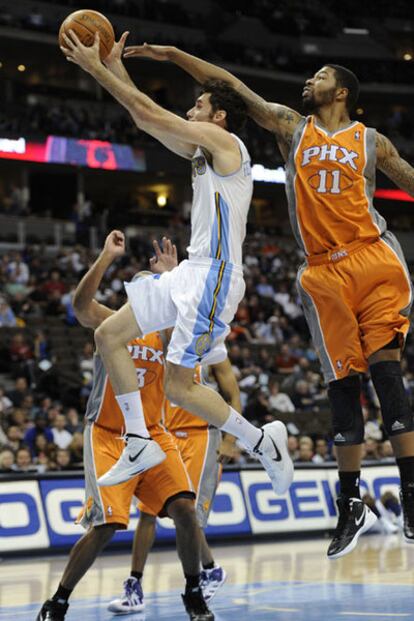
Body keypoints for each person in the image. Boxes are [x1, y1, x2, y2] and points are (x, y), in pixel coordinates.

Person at [123, 44, 414, 558]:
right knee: (342, 386)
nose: (309, 81)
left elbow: (410, 180)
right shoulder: (291, 126)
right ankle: (351, 502)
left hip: (373, 258)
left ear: (341, 91)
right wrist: (173, 55)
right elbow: (230, 83)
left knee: (387, 376)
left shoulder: (371, 141)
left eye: (320, 75)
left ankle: (411, 494)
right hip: (322, 270)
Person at [59, 33, 293, 498]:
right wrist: (114, 67)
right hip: (191, 271)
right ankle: (140, 439)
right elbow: (145, 118)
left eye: (198, 105)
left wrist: (95, 70)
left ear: (219, 116)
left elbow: (149, 112)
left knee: (180, 387)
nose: (190, 112)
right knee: (108, 335)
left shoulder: (223, 143)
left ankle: (263, 441)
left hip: (215, 277)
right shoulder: (204, 150)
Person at [36, 231, 214, 621]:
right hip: (108, 435)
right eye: (145, 287)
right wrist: (104, 259)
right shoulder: (113, 322)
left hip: (153, 434)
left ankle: (193, 592)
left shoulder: (168, 331)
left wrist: (172, 276)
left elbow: (189, 331)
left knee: (185, 510)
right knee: (106, 526)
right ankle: (58, 601)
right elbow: (80, 305)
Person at [109, 358, 240, 613]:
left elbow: (234, 396)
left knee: (191, 515)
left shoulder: (212, 349)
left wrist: (230, 439)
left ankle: (209, 571)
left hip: (202, 435)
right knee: (146, 511)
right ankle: (134, 585)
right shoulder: (162, 347)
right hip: (165, 436)